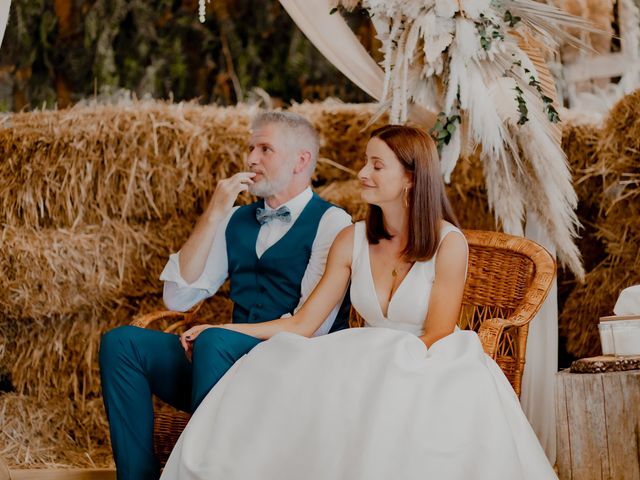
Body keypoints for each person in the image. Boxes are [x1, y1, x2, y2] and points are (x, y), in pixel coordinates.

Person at [160, 125, 558, 480]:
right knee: (277, 367)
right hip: (364, 354)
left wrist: (382, 371)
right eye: (365, 162)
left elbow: (437, 332)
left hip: (428, 357)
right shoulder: (351, 239)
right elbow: (302, 324)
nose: (362, 173)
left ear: (411, 178)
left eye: (377, 166)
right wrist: (226, 329)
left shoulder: (447, 243)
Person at [99, 111, 352, 480]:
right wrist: (215, 213)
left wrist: (219, 332)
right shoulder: (235, 219)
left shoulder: (333, 223)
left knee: (214, 340)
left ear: (302, 160)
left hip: (289, 376)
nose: (251, 158)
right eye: (250, 148)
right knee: (122, 344)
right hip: (220, 368)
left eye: (265, 149)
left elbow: (311, 328)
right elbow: (178, 298)